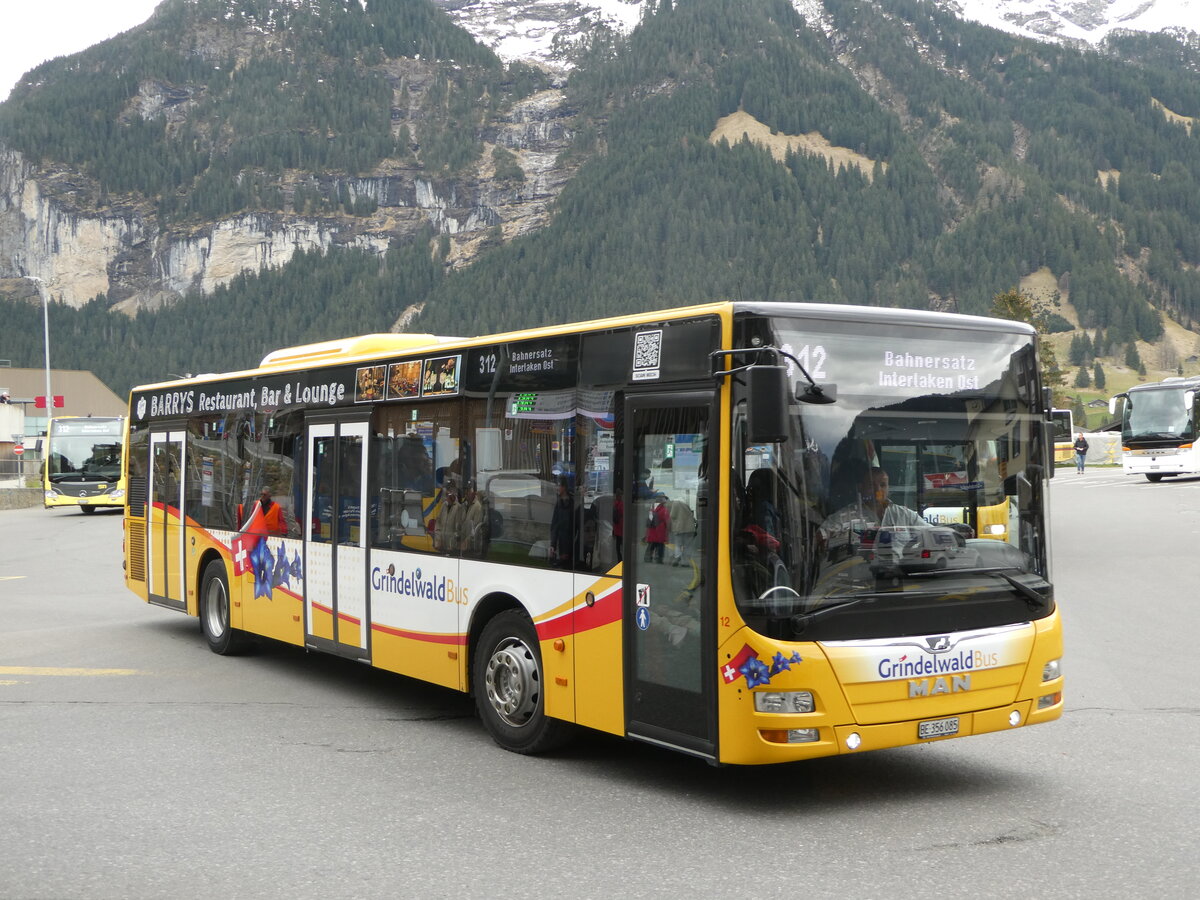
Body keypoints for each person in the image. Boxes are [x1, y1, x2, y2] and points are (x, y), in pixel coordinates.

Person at [820, 465, 925, 559]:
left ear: (888, 487)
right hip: (860, 577)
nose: (877, 490)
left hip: (902, 577)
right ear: (860, 488)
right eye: (871, 485)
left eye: (883, 485)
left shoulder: (904, 515)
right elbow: (819, 539)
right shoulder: (844, 517)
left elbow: (932, 534)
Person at [644, 491, 670, 563]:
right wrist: (669, 528)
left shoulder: (652, 508)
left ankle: (648, 558)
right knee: (660, 545)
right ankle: (659, 559)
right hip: (660, 529)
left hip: (652, 530)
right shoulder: (664, 509)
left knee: (652, 544)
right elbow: (667, 520)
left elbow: (649, 520)